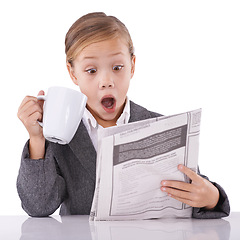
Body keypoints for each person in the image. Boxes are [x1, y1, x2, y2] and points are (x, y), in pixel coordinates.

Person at [17, 12, 230, 218]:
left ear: (132, 66)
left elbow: (194, 192)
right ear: (73, 73)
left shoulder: (162, 127)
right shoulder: (60, 134)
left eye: (117, 67)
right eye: (91, 71)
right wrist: (37, 138)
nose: (106, 80)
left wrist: (212, 198)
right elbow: (38, 207)